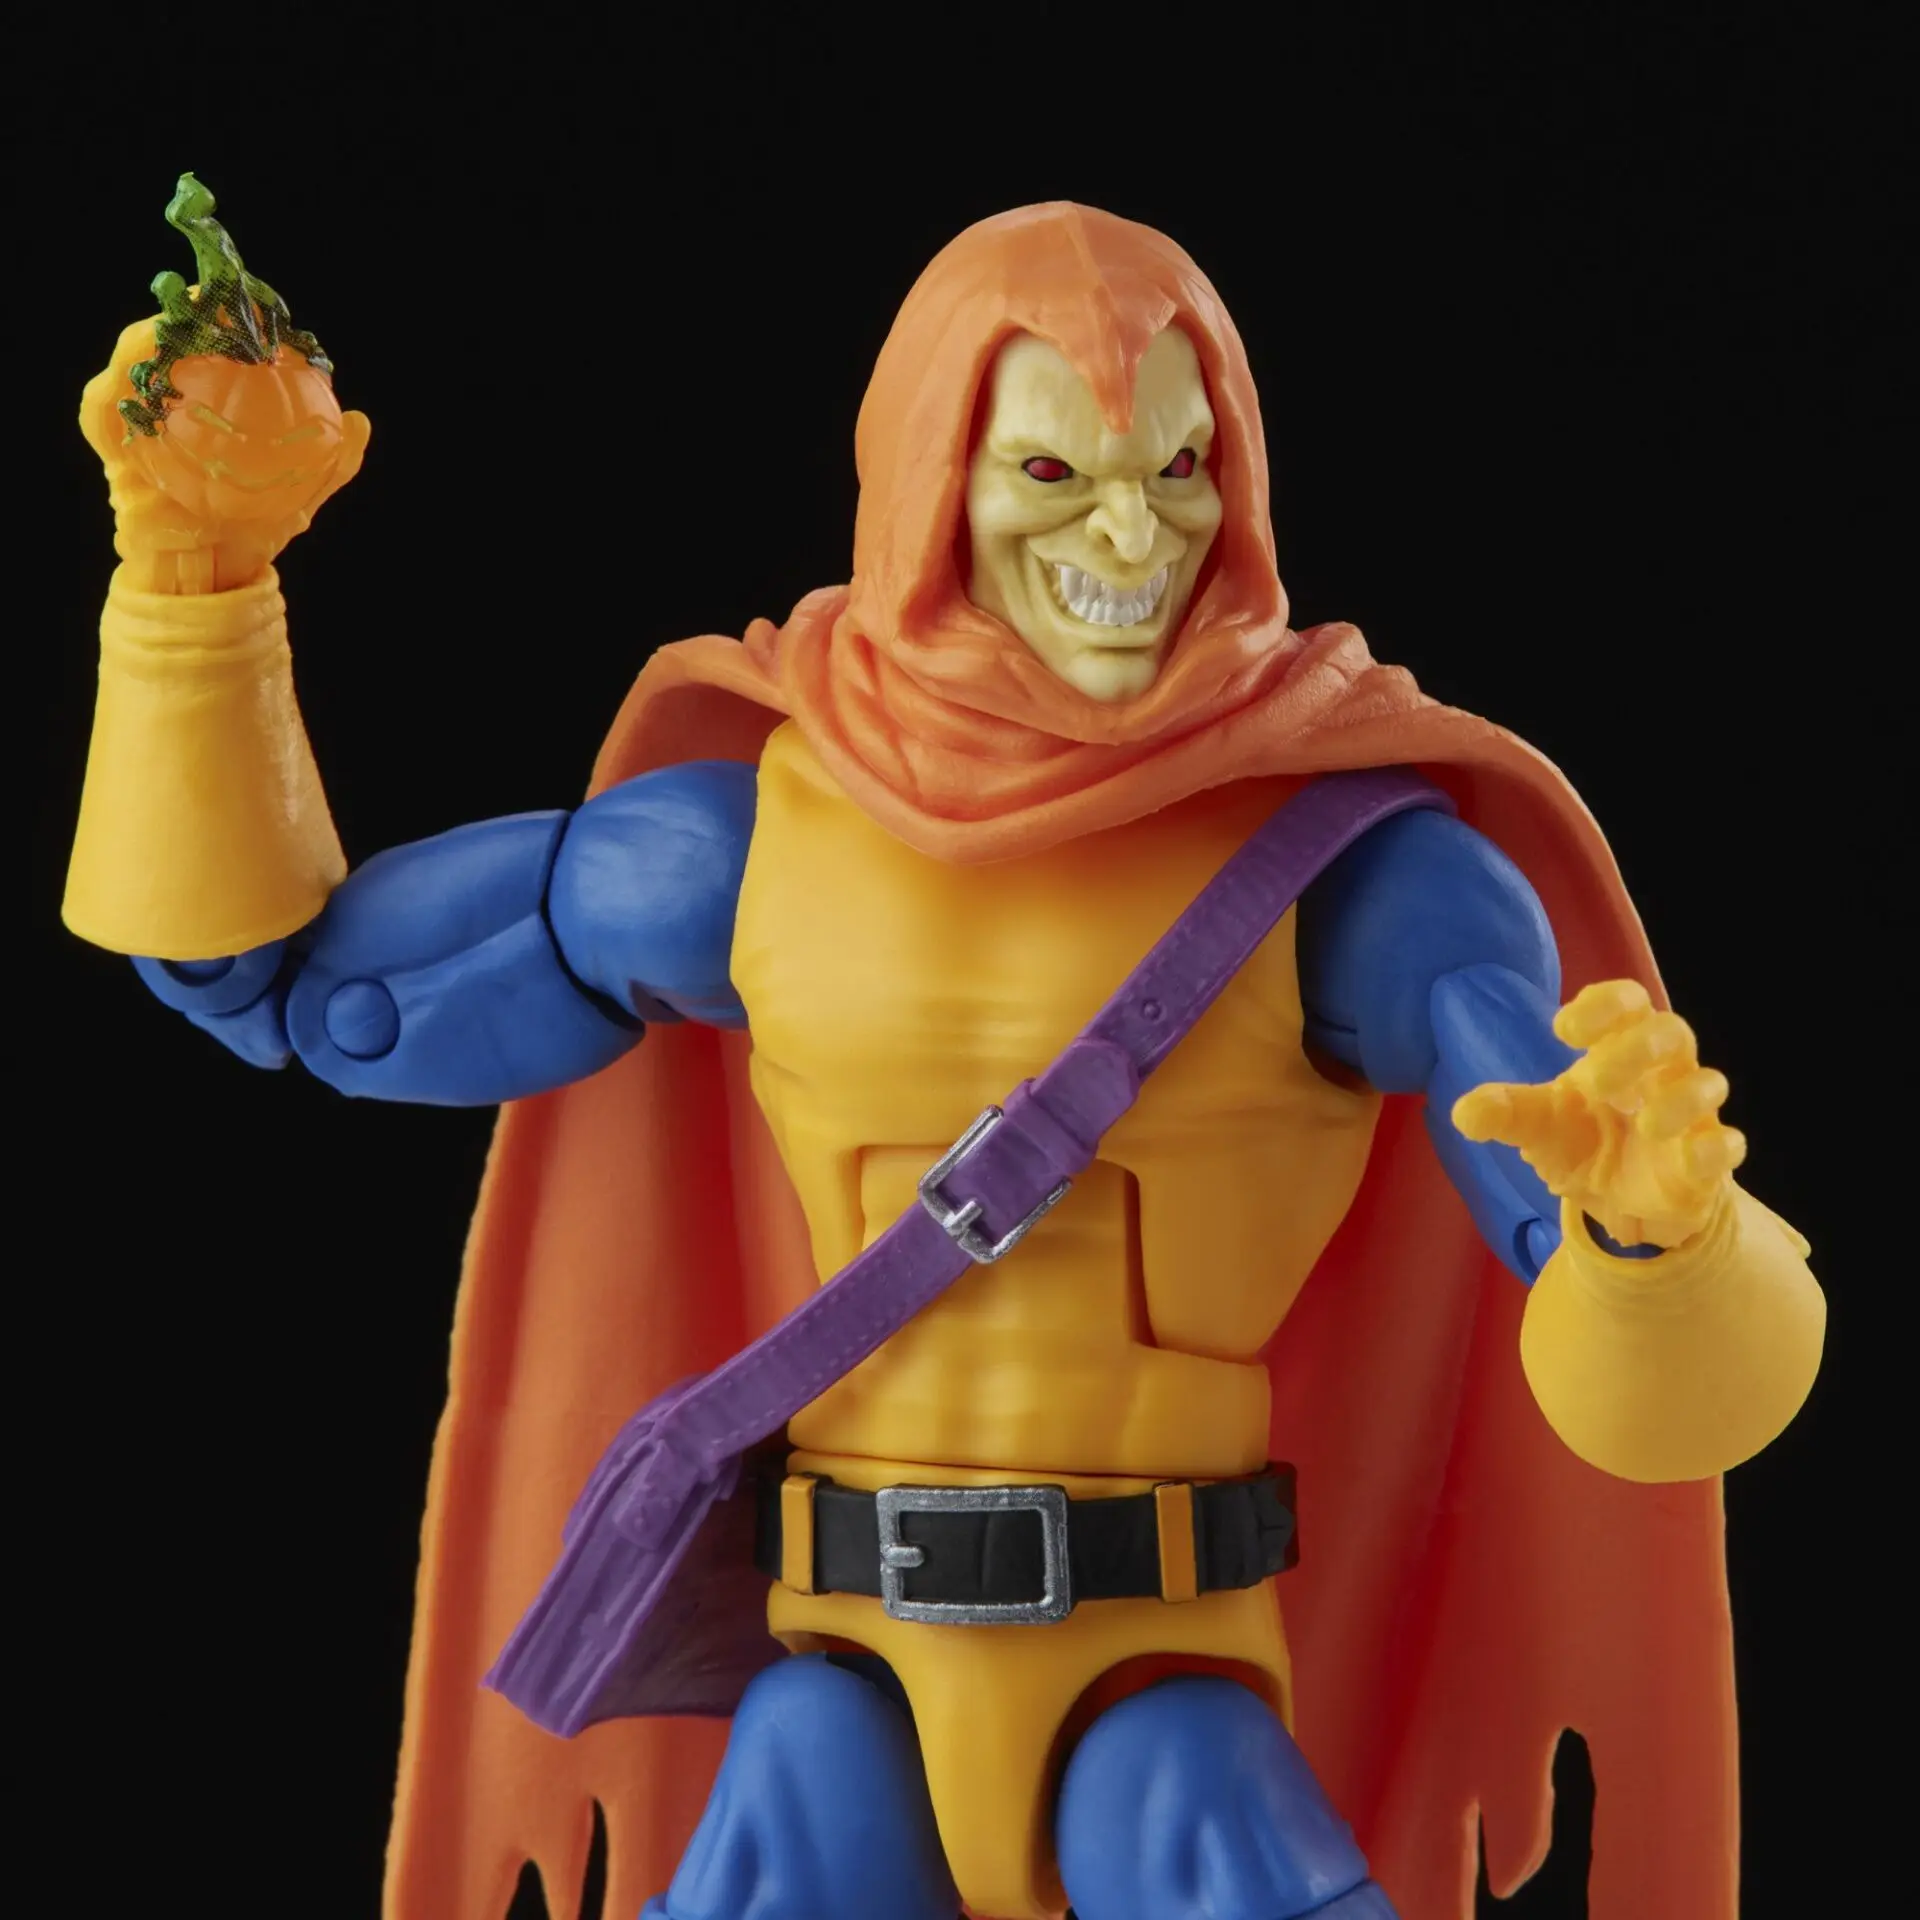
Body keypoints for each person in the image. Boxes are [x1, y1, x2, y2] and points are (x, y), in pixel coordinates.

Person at [65, 189, 1824, 1920]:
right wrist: (188, 594)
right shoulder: (747, 847)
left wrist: (1659, 1239)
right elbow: (295, 993)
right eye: (1054, 470)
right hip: (837, 1679)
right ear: (928, 484)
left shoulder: (1365, 885)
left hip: (1168, 1683)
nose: (1132, 535)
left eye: (1178, 469)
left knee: (1188, 1826)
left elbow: (1660, 1394)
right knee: (808, 1809)